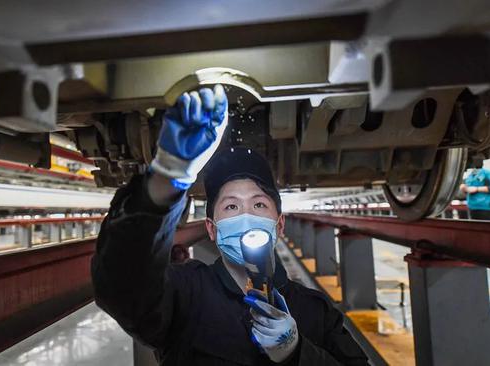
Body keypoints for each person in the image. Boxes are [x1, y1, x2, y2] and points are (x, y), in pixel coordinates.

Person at [91, 85, 369, 365]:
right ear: (212, 229)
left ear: (280, 224)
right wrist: (167, 175)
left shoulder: (314, 311)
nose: (246, 216)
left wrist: (297, 352)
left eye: (259, 204)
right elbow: (122, 284)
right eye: (231, 206)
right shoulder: (185, 295)